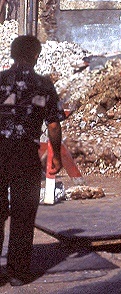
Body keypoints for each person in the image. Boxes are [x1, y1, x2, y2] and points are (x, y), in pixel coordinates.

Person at [0, 35, 63, 284]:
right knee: (24, 213)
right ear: (37, 55)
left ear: (12, 54)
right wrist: (56, 154)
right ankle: (17, 272)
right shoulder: (44, 85)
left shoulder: (0, 80)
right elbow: (54, 125)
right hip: (25, 154)